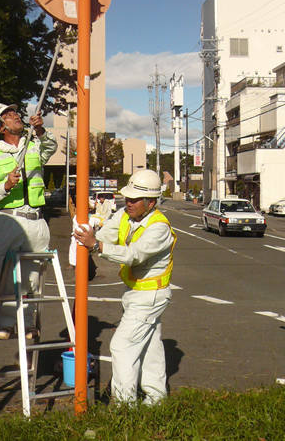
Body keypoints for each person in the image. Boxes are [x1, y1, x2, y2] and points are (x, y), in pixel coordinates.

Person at [73, 169, 176, 405]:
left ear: (151, 202)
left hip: (150, 295)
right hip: (136, 293)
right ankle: (156, 400)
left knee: (121, 346)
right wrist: (90, 235)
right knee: (150, 348)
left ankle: (124, 407)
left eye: (134, 199)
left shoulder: (159, 228)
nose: (128, 202)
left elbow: (134, 255)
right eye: (127, 198)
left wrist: (96, 246)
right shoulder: (124, 215)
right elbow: (106, 234)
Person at [0, 103, 57, 340]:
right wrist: (5, 186)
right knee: (5, 275)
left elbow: (50, 147)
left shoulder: (34, 146)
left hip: (35, 220)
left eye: (15, 113)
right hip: (8, 221)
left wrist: (41, 131)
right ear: (0, 127)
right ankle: (6, 323)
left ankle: (28, 323)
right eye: (8, 115)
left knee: (33, 278)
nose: (15, 116)